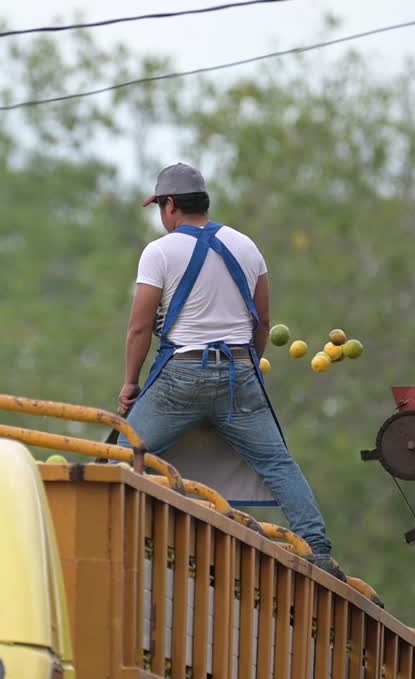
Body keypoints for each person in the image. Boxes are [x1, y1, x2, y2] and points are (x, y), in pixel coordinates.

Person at [116, 162, 345, 581]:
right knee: (277, 463)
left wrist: (131, 383)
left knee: (125, 457)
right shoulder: (247, 247)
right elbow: (261, 323)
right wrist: (247, 369)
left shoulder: (160, 252)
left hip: (180, 378)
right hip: (240, 372)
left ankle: (112, 534)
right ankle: (318, 549)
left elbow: (140, 326)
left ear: (170, 206)